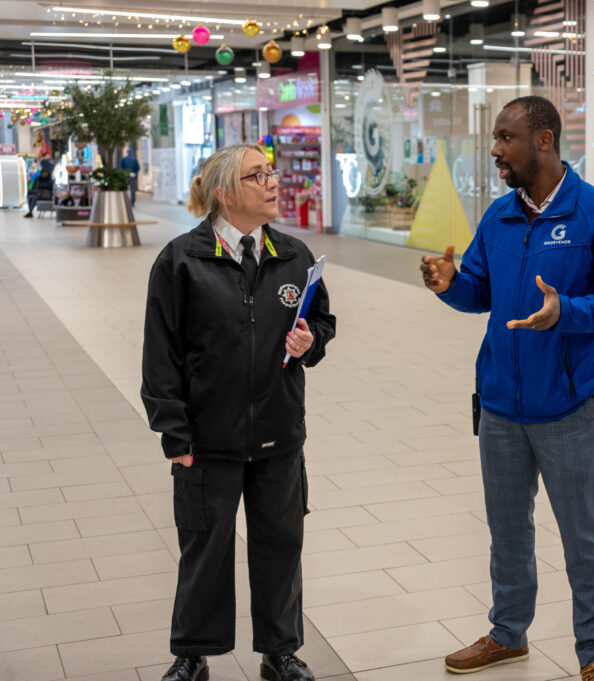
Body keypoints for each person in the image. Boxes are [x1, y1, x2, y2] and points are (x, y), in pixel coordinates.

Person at [421, 96, 594, 681]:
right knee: (507, 531)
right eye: (496, 138)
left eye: (506, 137)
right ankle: (507, 633)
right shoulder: (498, 216)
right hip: (499, 405)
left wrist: (564, 311)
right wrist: (449, 284)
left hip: (568, 405)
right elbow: (477, 290)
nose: (495, 149)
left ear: (544, 140)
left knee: (582, 536)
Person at [141, 143, 336, 681]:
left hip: (278, 436)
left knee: (281, 546)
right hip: (207, 441)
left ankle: (281, 651)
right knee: (204, 550)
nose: (273, 181)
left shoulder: (294, 255)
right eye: (258, 175)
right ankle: (193, 654)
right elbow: (161, 357)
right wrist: (174, 435)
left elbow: (321, 322)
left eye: (271, 171)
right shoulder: (181, 260)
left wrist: (309, 342)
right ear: (225, 193)